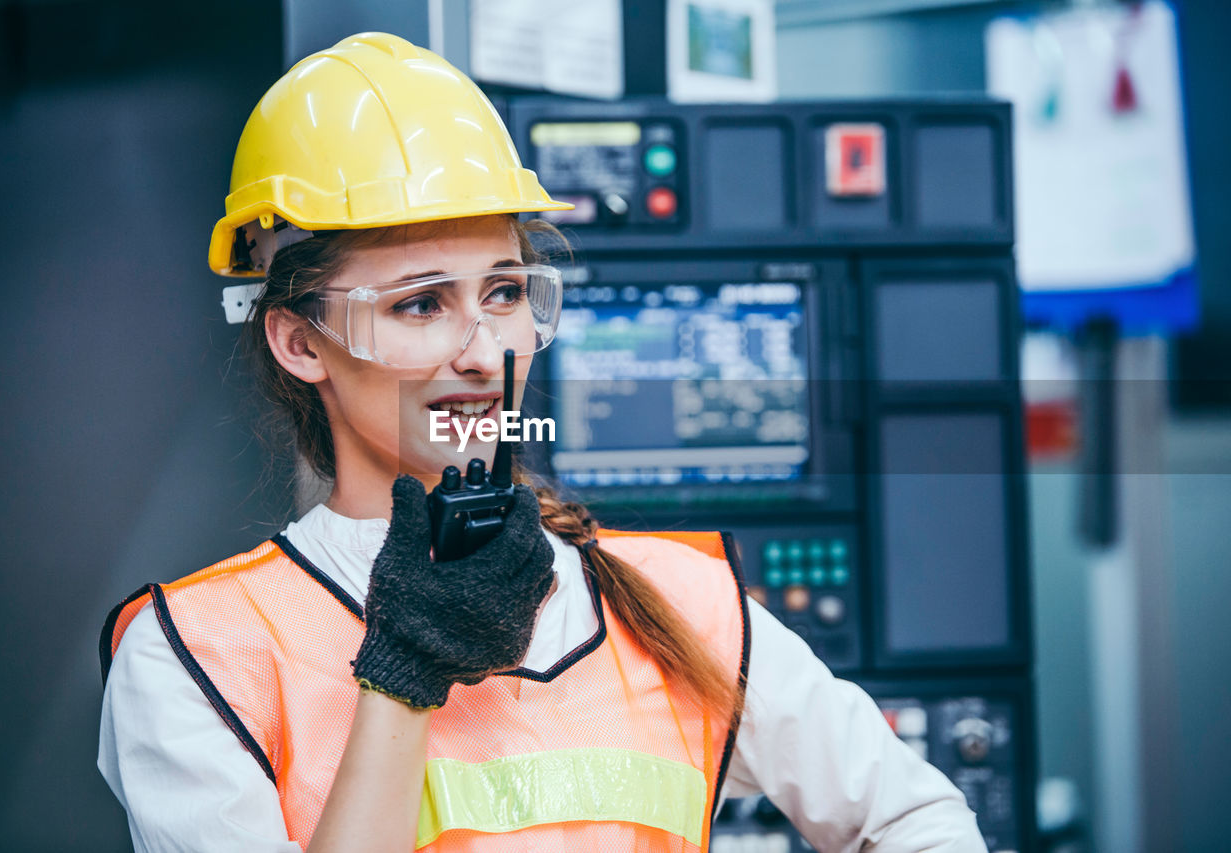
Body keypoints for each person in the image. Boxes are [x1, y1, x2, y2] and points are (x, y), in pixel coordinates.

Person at [97, 32, 987, 853]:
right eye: (419, 303)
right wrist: (403, 672)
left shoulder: (681, 603)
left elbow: (919, 818)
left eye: (503, 293)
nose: (483, 352)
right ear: (299, 341)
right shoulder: (201, 651)